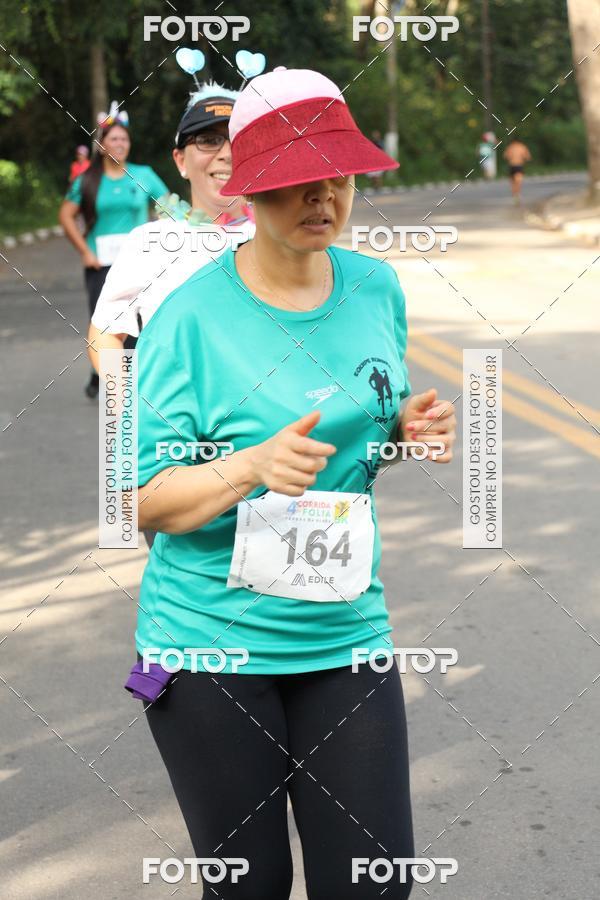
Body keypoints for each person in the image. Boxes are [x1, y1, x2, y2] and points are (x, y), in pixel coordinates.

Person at [134, 67, 457, 899]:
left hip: (344, 631)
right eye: (297, 185)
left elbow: (359, 432)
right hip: (209, 645)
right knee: (252, 888)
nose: (323, 201)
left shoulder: (375, 286)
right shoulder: (190, 318)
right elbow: (139, 499)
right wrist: (248, 468)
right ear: (251, 190)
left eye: (338, 180)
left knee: (374, 883)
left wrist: (402, 431)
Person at [86, 82, 254, 374]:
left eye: (238, 140)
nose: (226, 153)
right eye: (208, 140)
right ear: (180, 160)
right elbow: (106, 334)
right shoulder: (149, 242)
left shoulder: (286, 235)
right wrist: (123, 415)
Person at [58, 104, 169, 398]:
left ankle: (129, 382)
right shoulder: (87, 180)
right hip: (101, 264)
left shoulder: (144, 175)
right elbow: (66, 216)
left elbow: (169, 206)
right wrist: (85, 251)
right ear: (101, 145)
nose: (119, 144)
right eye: (113, 139)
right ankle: (104, 376)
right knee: (106, 323)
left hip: (140, 263)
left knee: (139, 320)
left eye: (124, 139)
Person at [503, 138, 532, 203]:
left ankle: (514, 194)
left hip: (511, 165)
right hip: (519, 166)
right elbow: (528, 157)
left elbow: (505, 156)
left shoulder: (510, 147)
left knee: (512, 181)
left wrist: (511, 158)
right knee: (518, 181)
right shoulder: (522, 146)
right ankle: (517, 194)